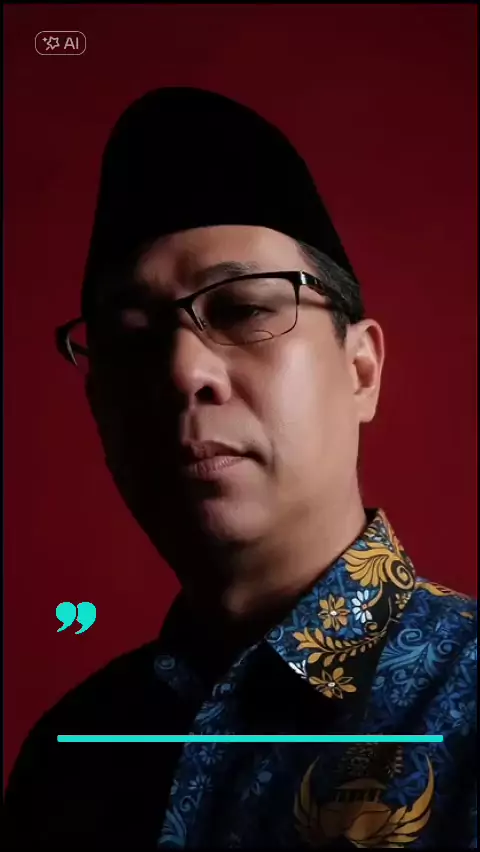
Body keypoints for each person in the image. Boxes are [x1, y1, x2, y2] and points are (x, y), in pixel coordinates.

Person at [5, 88, 476, 851]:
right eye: (131, 336)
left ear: (361, 370)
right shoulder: (74, 751)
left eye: (244, 310)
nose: (182, 371)